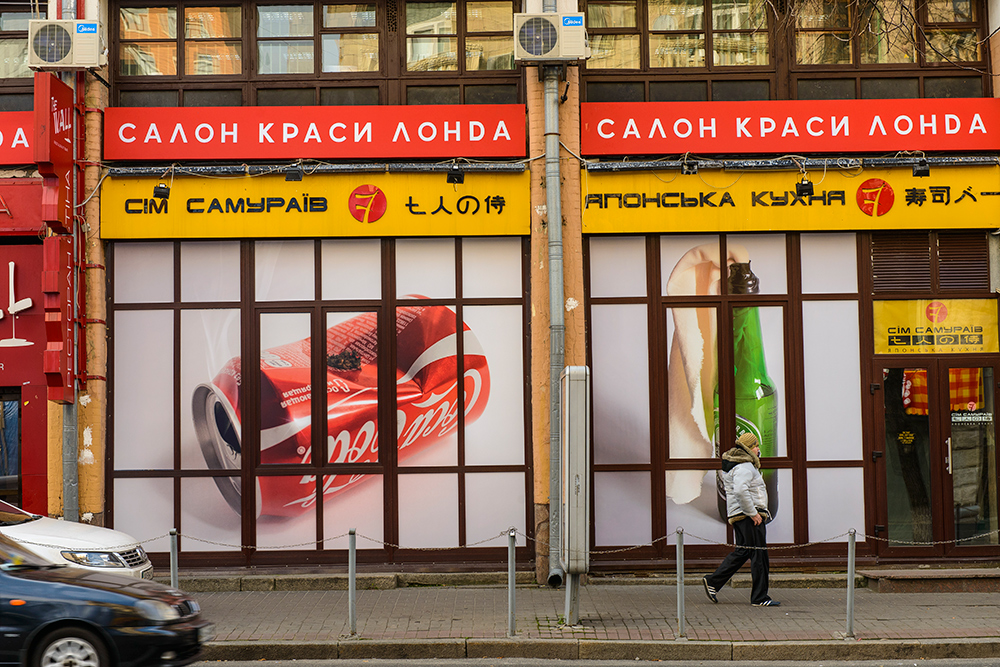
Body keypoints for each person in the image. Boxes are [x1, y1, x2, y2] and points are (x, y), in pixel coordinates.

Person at [702, 432, 781, 607]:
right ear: (748, 447)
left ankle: (714, 581)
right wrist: (753, 513)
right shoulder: (745, 466)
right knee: (759, 555)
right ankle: (760, 597)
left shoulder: (739, 465)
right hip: (749, 517)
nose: (758, 449)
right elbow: (740, 490)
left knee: (744, 552)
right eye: (755, 445)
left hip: (742, 516)